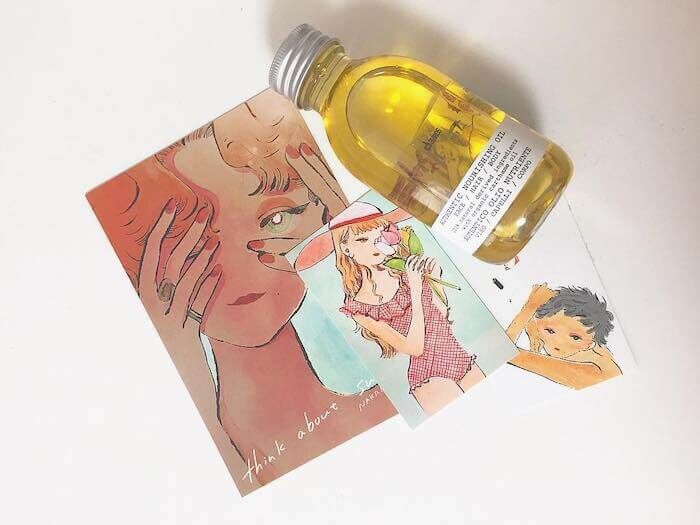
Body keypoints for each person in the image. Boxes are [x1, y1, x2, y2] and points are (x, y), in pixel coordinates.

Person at [87, 90, 396, 494]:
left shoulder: (397, 399)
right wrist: (186, 370)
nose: (242, 264)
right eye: (195, 245)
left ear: (323, 210)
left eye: (276, 219)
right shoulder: (171, 454)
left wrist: (359, 259)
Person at [328, 202, 486, 415]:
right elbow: (415, 348)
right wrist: (416, 289)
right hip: (429, 376)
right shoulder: (360, 308)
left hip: (459, 357)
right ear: (346, 248)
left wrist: (435, 278)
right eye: (362, 239)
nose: (374, 245)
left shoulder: (405, 272)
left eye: (379, 236)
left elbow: (440, 317)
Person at [507, 284, 622, 389]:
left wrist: (529, 308)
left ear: (590, 345)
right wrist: (531, 325)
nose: (559, 342)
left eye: (575, 338)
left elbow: (504, 352)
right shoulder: (589, 339)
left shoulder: (596, 372)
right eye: (550, 331)